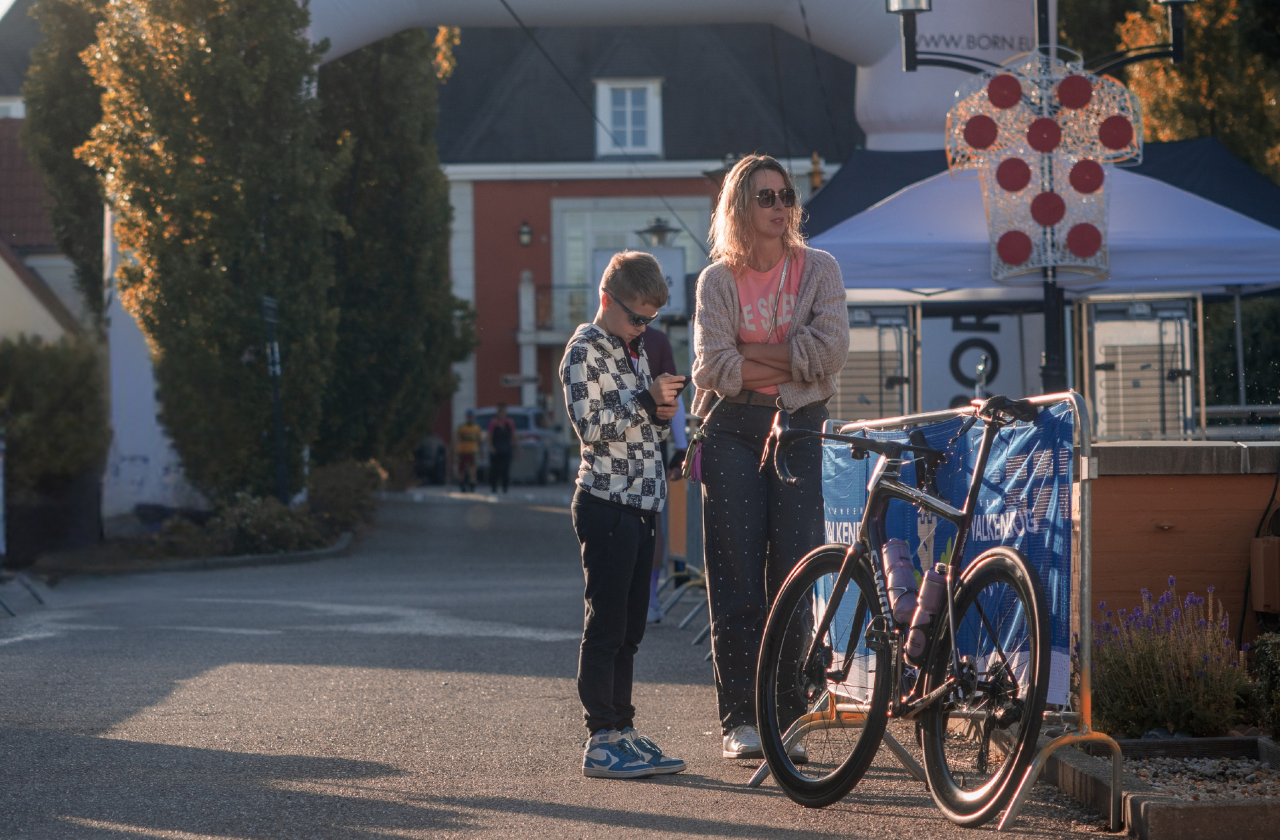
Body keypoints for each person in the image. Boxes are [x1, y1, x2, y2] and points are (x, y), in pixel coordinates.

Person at [690, 154, 849, 759]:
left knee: (793, 573)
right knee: (736, 580)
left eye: (787, 196)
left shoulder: (820, 269)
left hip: (801, 427)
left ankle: (788, 717)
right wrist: (790, 353)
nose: (781, 208)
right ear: (739, 206)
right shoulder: (716, 280)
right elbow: (711, 367)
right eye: (767, 197)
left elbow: (830, 351)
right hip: (731, 429)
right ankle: (740, 721)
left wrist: (753, 356)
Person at [560, 250, 686, 779]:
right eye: (636, 316)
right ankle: (600, 738)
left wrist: (666, 422)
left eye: (651, 320)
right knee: (606, 624)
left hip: (641, 504)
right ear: (606, 298)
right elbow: (591, 425)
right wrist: (644, 398)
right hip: (606, 502)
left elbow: (639, 428)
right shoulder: (583, 349)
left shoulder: (631, 350)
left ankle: (623, 729)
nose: (643, 328)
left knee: (631, 628)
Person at [487, 403, 517, 494]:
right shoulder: (493, 423)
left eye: (503, 411)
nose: (501, 414)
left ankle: (505, 487)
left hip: (506, 449)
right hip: (496, 449)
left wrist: (516, 448)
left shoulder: (509, 422)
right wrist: (491, 447)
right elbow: (490, 436)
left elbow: (513, 436)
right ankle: (494, 487)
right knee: (494, 469)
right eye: (500, 411)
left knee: (506, 469)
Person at [455, 410, 482, 492]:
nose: (470, 418)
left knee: (472, 470)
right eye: (468, 417)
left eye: (471, 417)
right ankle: (462, 485)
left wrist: (480, 452)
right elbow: (456, 439)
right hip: (462, 451)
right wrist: (455, 451)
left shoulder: (476, 428)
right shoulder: (461, 428)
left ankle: (472, 485)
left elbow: (479, 440)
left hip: (472, 451)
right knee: (461, 469)